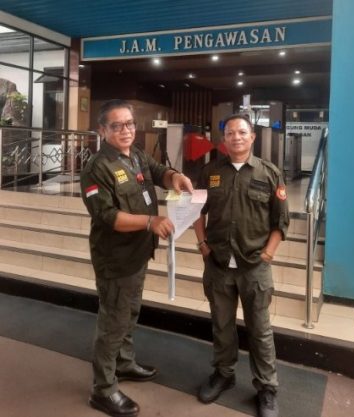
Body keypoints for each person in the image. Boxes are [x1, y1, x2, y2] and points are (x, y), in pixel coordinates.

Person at [80, 99, 193, 417]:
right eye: (117, 126)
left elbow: (158, 172)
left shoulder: (137, 155)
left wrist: (174, 177)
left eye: (129, 123)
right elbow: (108, 216)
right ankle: (103, 389)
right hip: (115, 258)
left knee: (129, 313)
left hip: (139, 253)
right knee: (112, 322)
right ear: (103, 130)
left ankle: (124, 363)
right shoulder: (96, 168)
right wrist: (150, 222)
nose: (126, 130)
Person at [193, 114, 289, 417]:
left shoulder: (269, 173)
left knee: (259, 330)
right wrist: (202, 244)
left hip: (254, 266)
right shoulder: (210, 172)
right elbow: (197, 211)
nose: (236, 137)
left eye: (242, 132)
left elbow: (281, 221)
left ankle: (267, 388)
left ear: (252, 137)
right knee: (222, 325)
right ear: (223, 139)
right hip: (218, 263)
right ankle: (224, 374)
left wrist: (268, 255)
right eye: (230, 133)